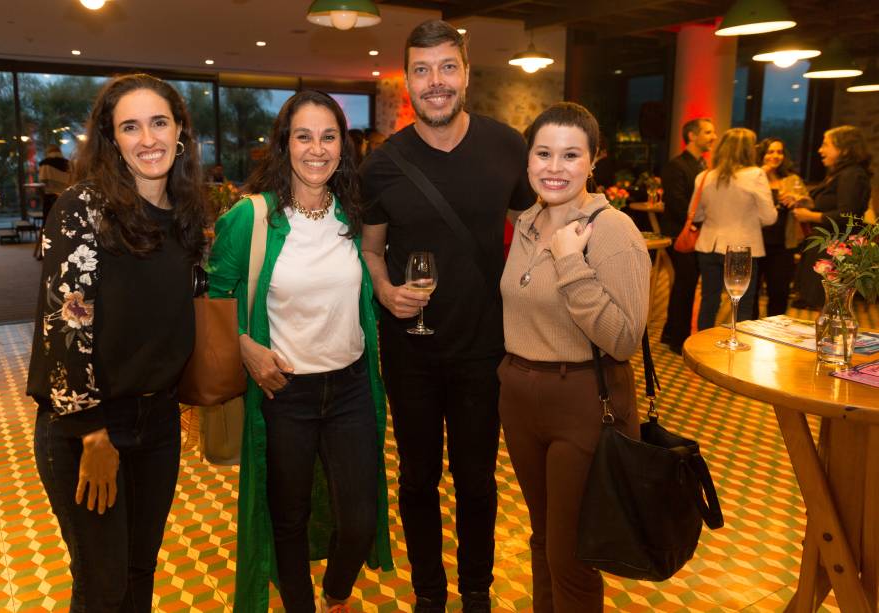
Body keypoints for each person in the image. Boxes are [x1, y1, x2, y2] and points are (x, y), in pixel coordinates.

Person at [360, 19, 534, 613]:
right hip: (409, 348)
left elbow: (540, 226)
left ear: (466, 72)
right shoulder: (383, 164)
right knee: (416, 479)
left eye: (447, 67)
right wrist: (383, 290)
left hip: (486, 346)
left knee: (478, 480)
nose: (435, 82)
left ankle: (478, 593)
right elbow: (370, 248)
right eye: (422, 69)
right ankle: (430, 594)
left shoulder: (508, 147)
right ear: (407, 79)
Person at [27, 73, 209, 612]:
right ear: (111, 139)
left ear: (180, 131)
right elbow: (63, 329)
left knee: (138, 571)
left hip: (158, 424)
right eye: (130, 127)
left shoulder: (186, 215)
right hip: (88, 428)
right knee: (102, 586)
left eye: (159, 122)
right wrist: (91, 434)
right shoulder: (81, 209)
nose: (148, 138)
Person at [207, 90, 393, 613]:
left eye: (329, 136)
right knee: (287, 517)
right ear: (284, 144)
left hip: (352, 387)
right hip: (284, 392)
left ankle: (335, 593)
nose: (317, 148)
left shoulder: (353, 215)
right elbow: (213, 300)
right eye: (304, 136)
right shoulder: (252, 218)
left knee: (359, 517)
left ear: (344, 146)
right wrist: (247, 349)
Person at [499, 101, 650, 612]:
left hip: (583, 400)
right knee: (543, 539)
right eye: (543, 153)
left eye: (570, 155)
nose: (554, 167)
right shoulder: (526, 222)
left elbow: (625, 339)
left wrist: (571, 264)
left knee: (572, 556)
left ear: (593, 162)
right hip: (520, 397)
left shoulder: (613, 231)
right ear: (528, 160)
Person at [693, 128, 777, 330]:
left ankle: (700, 348)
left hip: (708, 246)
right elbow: (770, 217)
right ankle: (737, 351)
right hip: (742, 248)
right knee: (742, 305)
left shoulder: (704, 176)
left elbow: (695, 215)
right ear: (750, 150)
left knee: (709, 301)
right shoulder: (756, 175)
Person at [792, 125, 873, 310]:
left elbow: (848, 215)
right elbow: (835, 205)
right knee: (815, 304)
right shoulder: (840, 173)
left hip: (836, 250)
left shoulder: (852, 174)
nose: (820, 150)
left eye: (826, 144)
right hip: (826, 247)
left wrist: (809, 215)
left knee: (825, 305)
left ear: (844, 149)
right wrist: (810, 204)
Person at [658, 117, 717, 354]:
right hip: (679, 235)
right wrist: (705, 217)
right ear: (692, 136)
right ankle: (677, 339)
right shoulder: (677, 166)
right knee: (685, 285)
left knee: (686, 285)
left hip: (694, 233)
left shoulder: (702, 165)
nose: (713, 137)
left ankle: (671, 332)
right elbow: (677, 204)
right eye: (708, 132)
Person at [751, 137, 810, 318]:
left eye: (779, 152)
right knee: (750, 293)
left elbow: (809, 202)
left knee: (779, 293)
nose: (776, 156)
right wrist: (762, 172)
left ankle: (773, 334)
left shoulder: (791, 179)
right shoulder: (752, 176)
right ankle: (749, 330)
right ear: (762, 154)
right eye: (770, 152)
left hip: (783, 245)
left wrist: (797, 198)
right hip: (754, 242)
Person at [37, 144, 72, 220]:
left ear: (48, 152)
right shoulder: (69, 164)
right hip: (66, 198)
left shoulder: (44, 164)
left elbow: (42, 181)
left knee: (49, 222)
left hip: (50, 198)